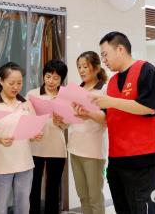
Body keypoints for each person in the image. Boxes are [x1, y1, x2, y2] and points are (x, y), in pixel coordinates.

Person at [92, 31, 155, 214]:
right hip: (117, 157)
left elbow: (150, 107)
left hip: (142, 157)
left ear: (121, 49)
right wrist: (86, 113)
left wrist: (112, 102)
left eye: (105, 54)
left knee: (143, 207)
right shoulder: (113, 81)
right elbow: (109, 117)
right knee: (122, 207)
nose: (104, 61)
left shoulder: (147, 70)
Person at [0, 62, 42, 214]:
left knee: (23, 207)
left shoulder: (25, 103)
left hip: (25, 165)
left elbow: (31, 132)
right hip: (0, 167)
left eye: (19, 83)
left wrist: (35, 135)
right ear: (1, 81)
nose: (16, 87)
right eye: (11, 83)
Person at [68, 51, 108, 214]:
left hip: (93, 152)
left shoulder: (104, 90)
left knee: (95, 197)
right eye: (79, 67)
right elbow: (70, 118)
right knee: (83, 196)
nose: (82, 70)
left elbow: (106, 120)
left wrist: (89, 113)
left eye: (85, 66)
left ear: (97, 68)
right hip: (74, 148)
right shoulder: (76, 90)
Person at [27, 59, 68, 214]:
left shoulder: (65, 97)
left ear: (61, 80)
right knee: (34, 186)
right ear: (43, 76)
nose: (51, 81)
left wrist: (61, 122)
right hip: (35, 146)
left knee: (53, 187)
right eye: (48, 76)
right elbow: (26, 118)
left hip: (56, 147)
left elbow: (68, 125)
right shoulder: (32, 94)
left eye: (56, 78)